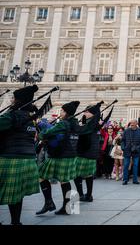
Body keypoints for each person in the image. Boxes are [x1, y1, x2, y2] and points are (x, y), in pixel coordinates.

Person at [0, 85, 40, 224]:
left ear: (18, 101)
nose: (11, 100)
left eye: (13, 98)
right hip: (28, 160)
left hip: (11, 158)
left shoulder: (11, 116)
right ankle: (16, 222)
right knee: (17, 194)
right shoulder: (31, 118)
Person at [36, 100, 80, 215]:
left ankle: (49, 202)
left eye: (62, 110)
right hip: (70, 154)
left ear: (66, 112)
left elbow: (49, 132)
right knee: (64, 180)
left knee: (41, 176)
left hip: (60, 155)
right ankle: (67, 207)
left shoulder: (63, 123)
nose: (60, 112)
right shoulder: (73, 122)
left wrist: (41, 135)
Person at [73, 102, 102, 203]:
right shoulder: (92, 122)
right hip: (90, 151)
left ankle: (81, 194)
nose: (84, 112)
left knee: (77, 174)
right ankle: (88, 195)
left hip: (85, 151)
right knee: (88, 174)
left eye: (87, 111)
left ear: (92, 114)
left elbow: (80, 131)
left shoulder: (91, 123)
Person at [121, 119, 140, 185]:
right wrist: (123, 148)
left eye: (133, 124)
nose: (132, 125)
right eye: (131, 124)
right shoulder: (126, 131)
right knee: (126, 165)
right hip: (127, 150)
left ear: (136, 124)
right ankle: (125, 179)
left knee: (136, 165)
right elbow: (122, 140)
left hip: (136, 151)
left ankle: (135, 180)